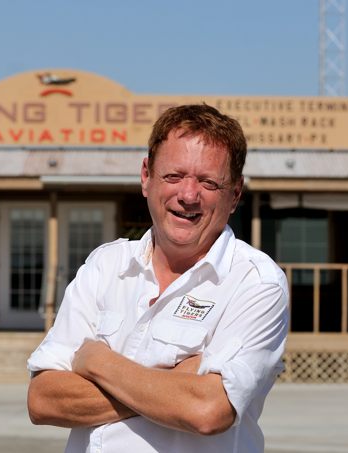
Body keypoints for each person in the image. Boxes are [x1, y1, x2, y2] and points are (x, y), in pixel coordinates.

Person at [26, 104, 289, 452]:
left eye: (208, 182)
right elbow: (43, 400)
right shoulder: (106, 265)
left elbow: (208, 410)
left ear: (235, 194)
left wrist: (98, 362)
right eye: (174, 176)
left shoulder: (256, 283)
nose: (188, 195)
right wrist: (175, 382)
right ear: (146, 176)